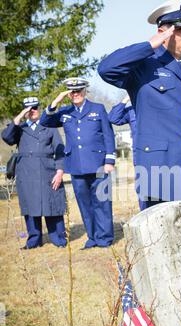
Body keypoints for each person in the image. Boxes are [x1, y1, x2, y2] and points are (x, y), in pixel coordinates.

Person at [98, 0, 181, 209]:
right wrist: (150, 45)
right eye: (180, 29)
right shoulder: (143, 67)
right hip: (159, 171)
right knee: (162, 237)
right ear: (162, 32)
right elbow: (106, 69)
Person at [40, 78, 116, 249]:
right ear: (68, 94)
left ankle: (105, 238)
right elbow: (45, 122)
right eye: (72, 92)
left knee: (102, 202)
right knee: (85, 204)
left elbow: (108, 135)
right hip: (76, 166)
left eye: (78, 90)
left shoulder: (98, 108)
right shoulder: (65, 112)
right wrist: (55, 102)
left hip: (98, 164)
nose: (75, 94)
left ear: (84, 91)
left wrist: (110, 160)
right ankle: (93, 237)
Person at [2, 97, 67, 249]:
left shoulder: (49, 126)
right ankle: (33, 240)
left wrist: (59, 171)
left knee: (52, 205)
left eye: (35, 108)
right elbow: (6, 137)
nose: (32, 112)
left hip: (48, 171)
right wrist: (19, 116)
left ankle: (58, 238)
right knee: (30, 207)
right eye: (28, 109)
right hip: (26, 173)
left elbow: (59, 149)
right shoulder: (20, 128)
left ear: (39, 108)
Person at [108, 95, 146, 210]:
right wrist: (126, 99)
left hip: (163, 155)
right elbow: (113, 118)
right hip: (140, 157)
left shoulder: (158, 106)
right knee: (144, 192)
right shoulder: (131, 111)